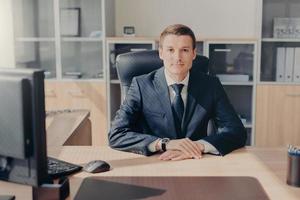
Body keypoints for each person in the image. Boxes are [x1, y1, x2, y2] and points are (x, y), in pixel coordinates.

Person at [109, 24, 246, 161]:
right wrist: (164, 144)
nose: (177, 57)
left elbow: (237, 131)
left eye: (184, 50)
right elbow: (116, 134)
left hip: (197, 161)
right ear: (161, 53)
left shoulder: (211, 85)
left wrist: (198, 146)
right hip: (155, 162)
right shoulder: (141, 85)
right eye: (170, 50)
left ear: (193, 54)